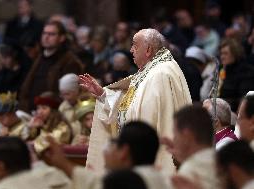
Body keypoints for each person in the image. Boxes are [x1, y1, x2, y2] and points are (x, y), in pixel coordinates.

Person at [79, 28, 191, 173]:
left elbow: (151, 120)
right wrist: (103, 95)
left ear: (148, 50)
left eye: (135, 45)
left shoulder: (161, 74)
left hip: (156, 159)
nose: (131, 50)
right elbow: (131, 104)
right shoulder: (151, 72)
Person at [44, 121, 171, 189]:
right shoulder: (157, 177)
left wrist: (64, 164)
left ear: (124, 152)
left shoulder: (130, 181)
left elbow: (96, 185)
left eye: (113, 145)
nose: (106, 152)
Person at [19, 21, 83, 112]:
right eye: (44, 33)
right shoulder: (39, 58)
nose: (46, 37)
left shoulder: (70, 61)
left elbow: (69, 95)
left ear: (61, 38)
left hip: (53, 113)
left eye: (51, 34)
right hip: (32, 110)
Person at [162, 105, 221, 189]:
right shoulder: (223, 162)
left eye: (175, 134)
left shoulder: (188, 173)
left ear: (187, 135)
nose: (174, 139)